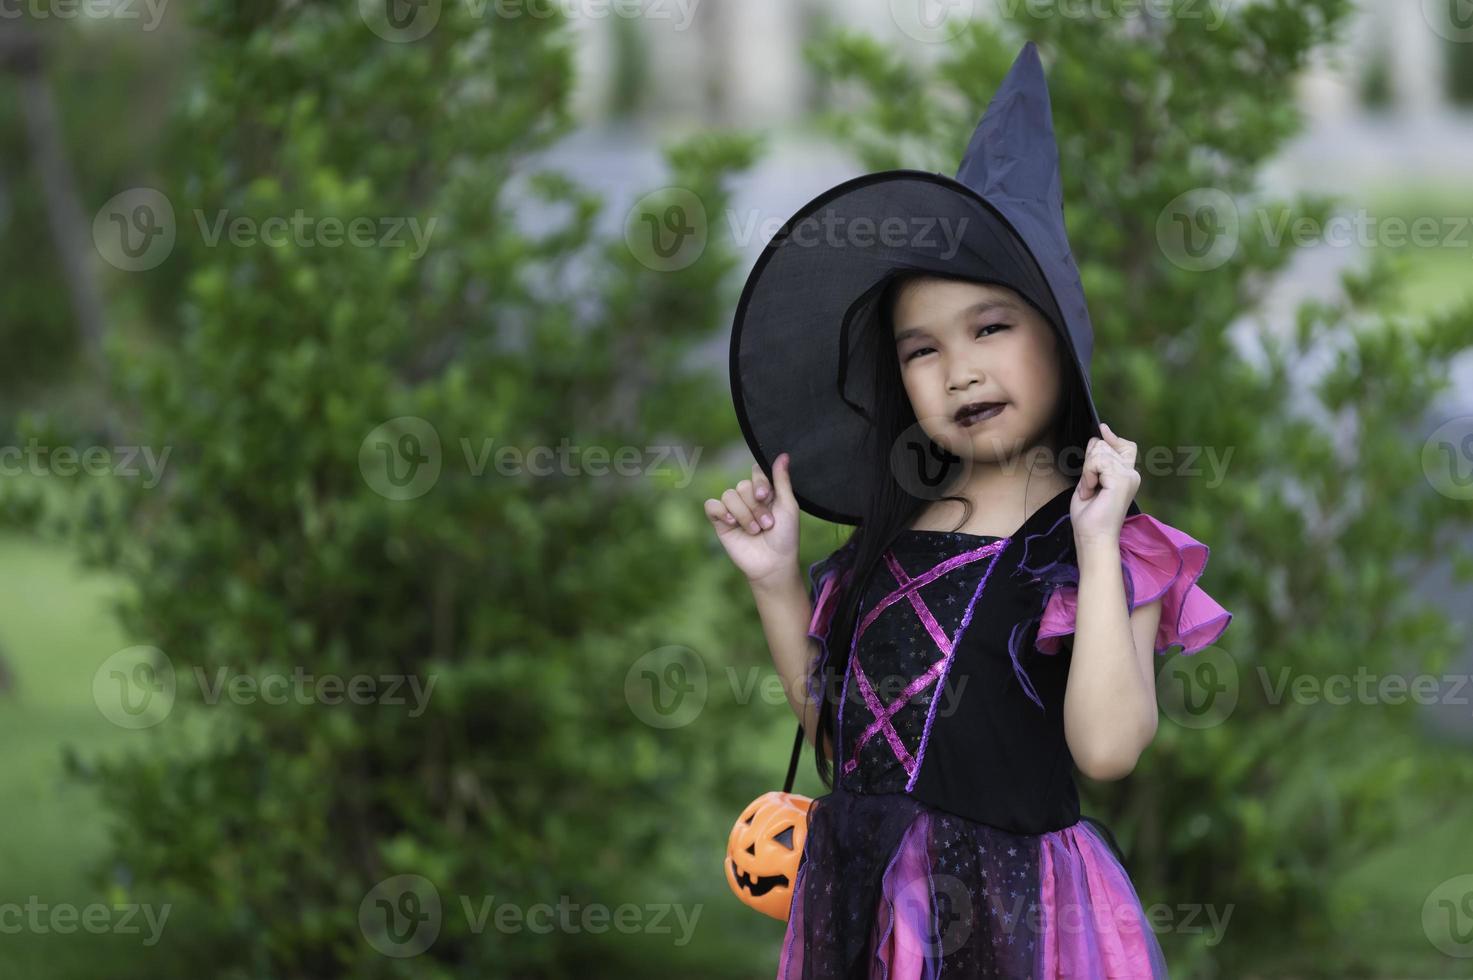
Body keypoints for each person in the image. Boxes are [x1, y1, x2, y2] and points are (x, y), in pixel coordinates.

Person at [709, 40, 1233, 978]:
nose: (960, 369)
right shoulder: (890, 536)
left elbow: (1107, 748)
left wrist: (1099, 543)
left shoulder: (1102, 545)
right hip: (868, 909)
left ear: (1058, 333)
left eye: (991, 327)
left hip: (1016, 918)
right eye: (921, 349)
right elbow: (850, 748)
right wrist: (776, 583)